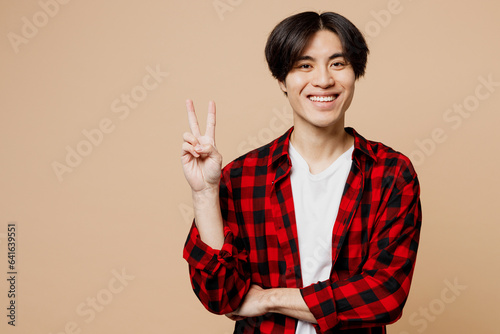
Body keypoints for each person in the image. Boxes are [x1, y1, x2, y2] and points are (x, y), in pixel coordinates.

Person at [181, 11, 422, 334]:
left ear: (355, 73)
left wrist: (267, 299)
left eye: (338, 64)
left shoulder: (391, 173)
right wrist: (205, 193)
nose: (323, 80)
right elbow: (220, 295)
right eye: (304, 65)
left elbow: (385, 294)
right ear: (281, 79)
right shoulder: (243, 176)